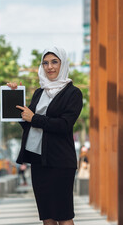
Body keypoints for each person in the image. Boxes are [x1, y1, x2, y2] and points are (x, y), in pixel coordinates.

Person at [7, 47, 83, 225]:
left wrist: (34, 118)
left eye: (54, 62)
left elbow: (64, 125)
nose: (49, 67)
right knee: (47, 216)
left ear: (63, 64)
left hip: (60, 161)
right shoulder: (39, 92)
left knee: (63, 216)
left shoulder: (73, 93)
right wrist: (13, 97)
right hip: (38, 160)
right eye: (45, 63)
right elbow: (29, 123)